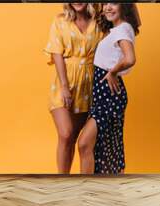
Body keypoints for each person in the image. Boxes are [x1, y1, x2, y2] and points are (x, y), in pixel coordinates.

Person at [77, 3, 141, 174]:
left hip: (109, 94)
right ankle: (97, 191)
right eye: (105, 3)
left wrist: (112, 72)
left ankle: (87, 190)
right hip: (103, 94)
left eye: (113, 3)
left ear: (124, 6)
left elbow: (130, 58)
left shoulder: (122, 28)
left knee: (85, 143)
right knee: (105, 146)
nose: (108, 7)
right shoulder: (116, 30)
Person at [44, 3, 103, 174]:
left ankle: (76, 185)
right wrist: (64, 87)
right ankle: (62, 182)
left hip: (89, 85)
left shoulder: (99, 22)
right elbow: (56, 53)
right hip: (65, 83)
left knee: (74, 139)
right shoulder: (60, 20)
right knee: (66, 134)